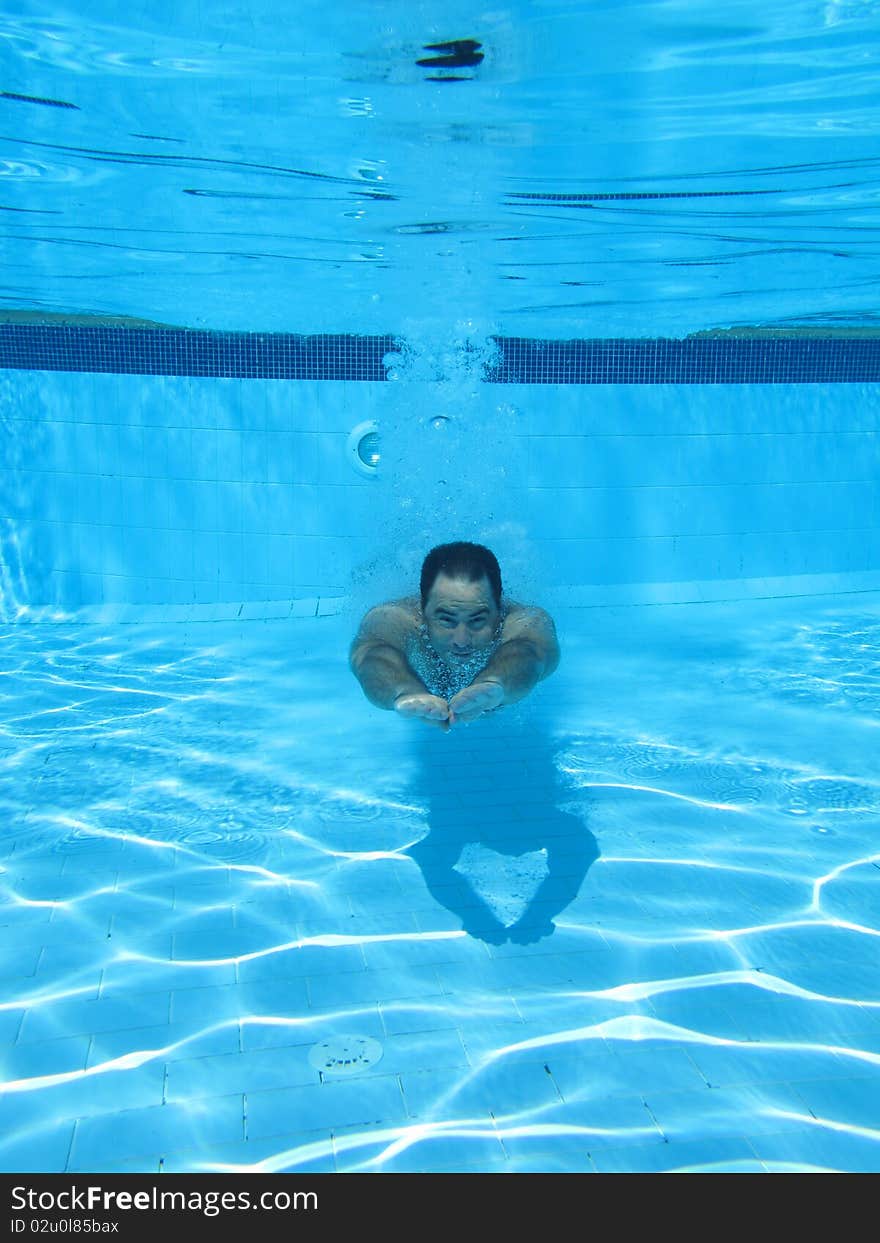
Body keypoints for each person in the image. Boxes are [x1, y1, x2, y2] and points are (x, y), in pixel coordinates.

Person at [349, 541, 559, 729]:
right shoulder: (393, 617)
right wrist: (404, 691)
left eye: (477, 621)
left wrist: (494, 683)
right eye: (446, 620)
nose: (461, 641)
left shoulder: (527, 620)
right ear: (422, 609)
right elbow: (372, 655)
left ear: (499, 608)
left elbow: (528, 653)